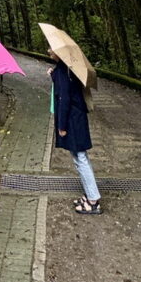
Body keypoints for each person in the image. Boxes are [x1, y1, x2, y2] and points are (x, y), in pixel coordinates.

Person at [48, 49, 102, 214]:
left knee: (80, 158)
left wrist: (62, 126)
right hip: (76, 118)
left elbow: (64, 98)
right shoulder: (67, 68)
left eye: (51, 49)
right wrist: (53, 75)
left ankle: (93, 201)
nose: (48, 51)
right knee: (79, 157)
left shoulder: (64, 71)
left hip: (72, 120)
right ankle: (90, 194)